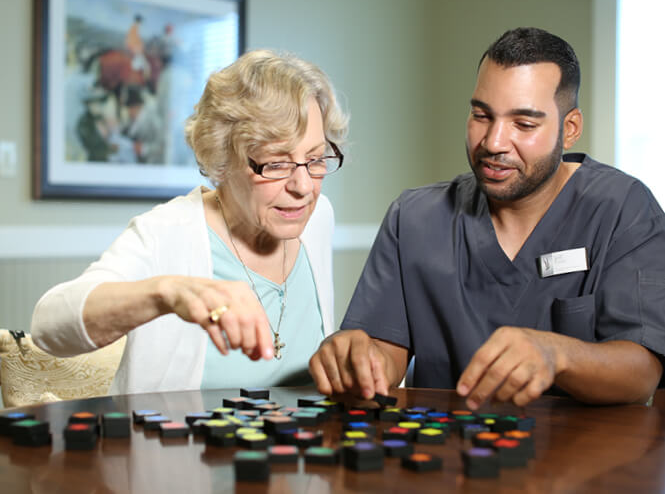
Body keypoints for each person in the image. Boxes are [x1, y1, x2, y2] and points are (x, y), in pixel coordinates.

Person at [309, 27, 665, 409]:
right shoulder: (414, 218)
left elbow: (641, 371)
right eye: (481, 115)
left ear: (570, 128)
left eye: (523, 124)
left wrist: (556, 355)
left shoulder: (622, 208)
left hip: (577, 460)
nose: (494, 142)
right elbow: (384, 359)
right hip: (443, 457)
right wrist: (354, 359)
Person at [32, 49, 348, 394]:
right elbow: (49, 327)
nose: (303, 187)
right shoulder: (167, 232)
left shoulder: (317, 220)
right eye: (276, 163)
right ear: (223, 159)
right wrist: (167, 293)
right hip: (182, 447)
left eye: (315, 159)